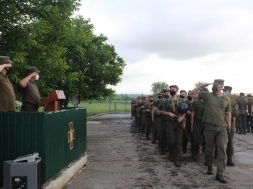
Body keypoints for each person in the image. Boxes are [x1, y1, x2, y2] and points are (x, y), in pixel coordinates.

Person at [191, 79, 231, 184]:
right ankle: (209, 166)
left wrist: (230, 126)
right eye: (213, 85)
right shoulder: (206, 95)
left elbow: (228, 114)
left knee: (222, 150)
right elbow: (192, 94)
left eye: (216, 85)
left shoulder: (226, 99)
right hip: (209, 127)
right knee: (209, 149)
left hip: (222, 128)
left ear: (221, 86)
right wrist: (200, 86)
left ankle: (220, 173)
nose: (214, 86)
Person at [162, 85, 186, 167]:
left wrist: (182, 118)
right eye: (171, 89)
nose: (172, 90)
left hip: (179, 123)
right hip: (170, 122)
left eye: (174, 89)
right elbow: (162, 112)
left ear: (177, 91)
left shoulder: (181, 100)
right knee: (171, 140)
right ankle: (171, 153)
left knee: (178, 141)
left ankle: (177, 159)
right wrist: (169, 113)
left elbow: (185, 111)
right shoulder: (167, 101)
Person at [223, 86, 236, 166]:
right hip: (220, 123)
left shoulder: (233, 102)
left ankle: (230, 158)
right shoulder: (219, 99)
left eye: (226, 91)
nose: (224, 92)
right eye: (223, 90)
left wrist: (234, 126)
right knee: (218, 142)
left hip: (229, 124)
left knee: (230, 142)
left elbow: (233, 115)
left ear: (229, 92)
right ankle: (216, 156)